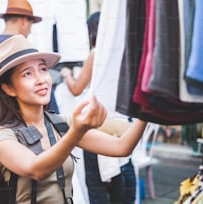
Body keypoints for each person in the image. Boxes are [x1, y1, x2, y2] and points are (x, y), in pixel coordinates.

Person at [0, 34, 147, 203]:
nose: (41, 80)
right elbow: (35, 169)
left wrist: (147, 109)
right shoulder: (1, 136)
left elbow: (121, 147)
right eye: (28, 74)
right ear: (9, 89)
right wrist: (75, 132)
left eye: (43, 69)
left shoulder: (59, 124)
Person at [60, 12, 137, 203]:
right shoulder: (124, 52)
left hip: (99, 122)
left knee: (97, 188)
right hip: (122, 121)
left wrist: (66, 75)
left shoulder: (96, 53)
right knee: (123, 176)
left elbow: (77, 89)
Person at [0, 0, 42, 126]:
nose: (29, 31)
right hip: (22, 120)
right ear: (24, 21)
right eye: (30, 26)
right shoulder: (24, 49)